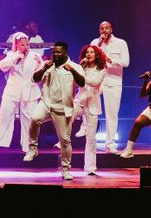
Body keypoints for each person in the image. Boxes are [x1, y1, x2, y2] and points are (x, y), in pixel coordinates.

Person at [24, 42, 86, 181]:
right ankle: (33, 148)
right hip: (46, 103)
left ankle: (65, 169)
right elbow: (34, 79)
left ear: (65, 53)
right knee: (34, 119)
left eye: (59, 52)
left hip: (62, 109)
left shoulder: (75, 67)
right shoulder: (48, 66)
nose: (56, 55)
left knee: (65, 141)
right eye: (54, 52)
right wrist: (43, 68)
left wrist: (73, 71)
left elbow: (82, 83)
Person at [0, 32, 43, 152]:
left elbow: (41, 73)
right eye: (22, 45)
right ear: (17, 45)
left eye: (27, 44)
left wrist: (40, 64)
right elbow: (2, 66)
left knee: (29, 119)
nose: (25, 47)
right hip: (12, 90)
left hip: (29, 91)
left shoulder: (35, 56)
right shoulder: (11, 55)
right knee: (5, 115)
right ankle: (1, 143)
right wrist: (16, 57)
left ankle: (28, 146)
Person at [89, 21, 130, 151]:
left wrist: (109, 60)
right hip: (97, 80)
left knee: (112, 114)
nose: (104, 30)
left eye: (106, 28)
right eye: (101, 28)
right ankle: (90, 141)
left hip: (113, 81)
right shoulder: (95, 43)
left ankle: (110, 143)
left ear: (111, 29)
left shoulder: (120, 43)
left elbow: (126, 62)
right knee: (88, 108)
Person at [73, 44, 108, 175]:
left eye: (91, 52)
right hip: (81, 99)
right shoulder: (81, 67)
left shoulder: (102, 69)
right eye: (87, 52)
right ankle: (63, 140)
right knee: (68, 114)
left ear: (96, 54)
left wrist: (82, 77)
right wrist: (80, 68)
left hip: (93, 103)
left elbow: (95, 81)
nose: (89, 54)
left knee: (91, 137)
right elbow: (76, 82)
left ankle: (90, 167)